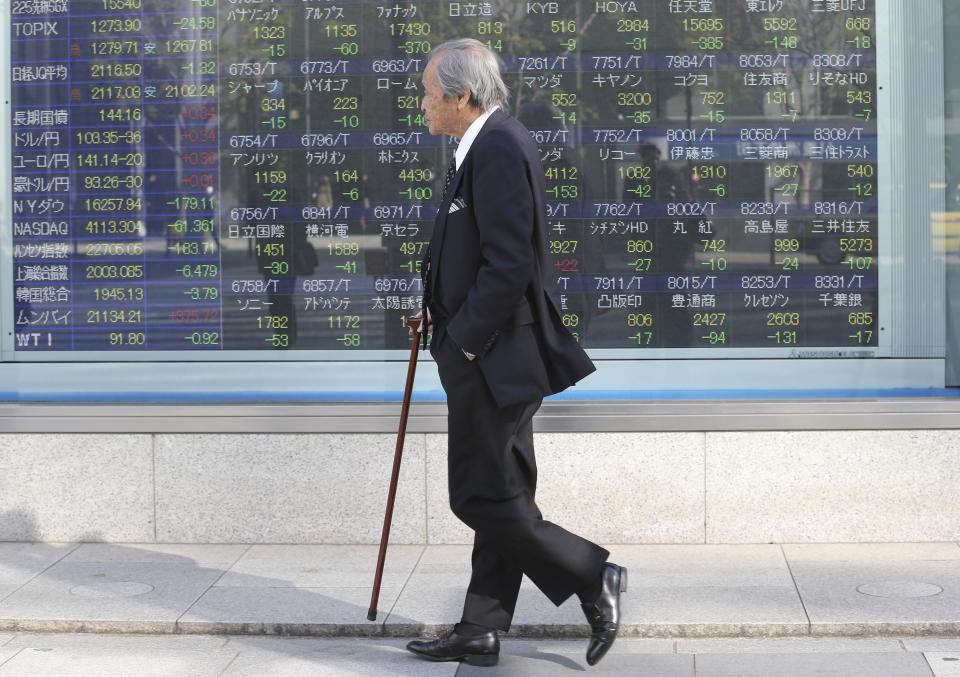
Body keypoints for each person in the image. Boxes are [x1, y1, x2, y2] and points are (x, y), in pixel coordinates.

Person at [406, 38, 626, 668]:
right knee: (503, 493)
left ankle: (592, 575)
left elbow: (509, 261)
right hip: (490, 352)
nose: (422, 105)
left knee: (475, 496)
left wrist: (464, 342)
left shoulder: (498, 146)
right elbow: (471, 251)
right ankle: (479, 628)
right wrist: (436, 308)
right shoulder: (478, 145)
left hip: (494, 358)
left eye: (428, 94)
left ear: (460, 96)